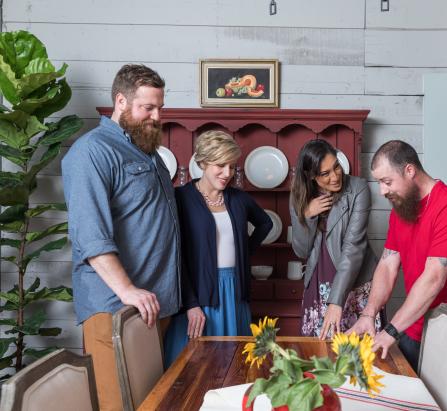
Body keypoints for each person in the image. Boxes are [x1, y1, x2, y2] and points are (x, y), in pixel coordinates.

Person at [61, 64, 180, 411]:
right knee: (118, 405)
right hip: (115, 306)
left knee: (150, 403)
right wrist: (127, 291)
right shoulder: (91, 152)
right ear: (121, 102)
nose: (157, 116)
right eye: (148, 108)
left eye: (160, 107)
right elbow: (90, 234)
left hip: (152, 305)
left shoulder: (150, 152)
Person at [348, 140, 447, 411]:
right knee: (407, 403)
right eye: (379, 182)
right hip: (413, 325)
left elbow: (434, 278)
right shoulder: (403, 208)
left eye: (387, 181)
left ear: (409, 170)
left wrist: (390, 330)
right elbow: (388, 265)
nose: (382, 190)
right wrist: (369, 314)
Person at [163, 130, 272, 366]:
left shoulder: (238, 198)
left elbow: (266, 223)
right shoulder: (180, 198)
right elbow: (176, 257)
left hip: (234, 292)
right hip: (199, 293)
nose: (227, 173)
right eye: (220, 165)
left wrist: (244, 254)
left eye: (232, 166)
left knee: (234, 366)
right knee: (194, 368)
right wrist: (191, 304)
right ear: (202, 162)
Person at [290, 139, 380, 339]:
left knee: (359, 355)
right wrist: (307, 215)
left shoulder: (358, 188)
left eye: (336, 167)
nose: (335, 176)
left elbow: (353, 248)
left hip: (355, 281)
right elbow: (302, 251)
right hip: (318, 280)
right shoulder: (298, 196)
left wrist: (336, 302)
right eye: (325, 173)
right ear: (310, 176)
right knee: (318, 356)